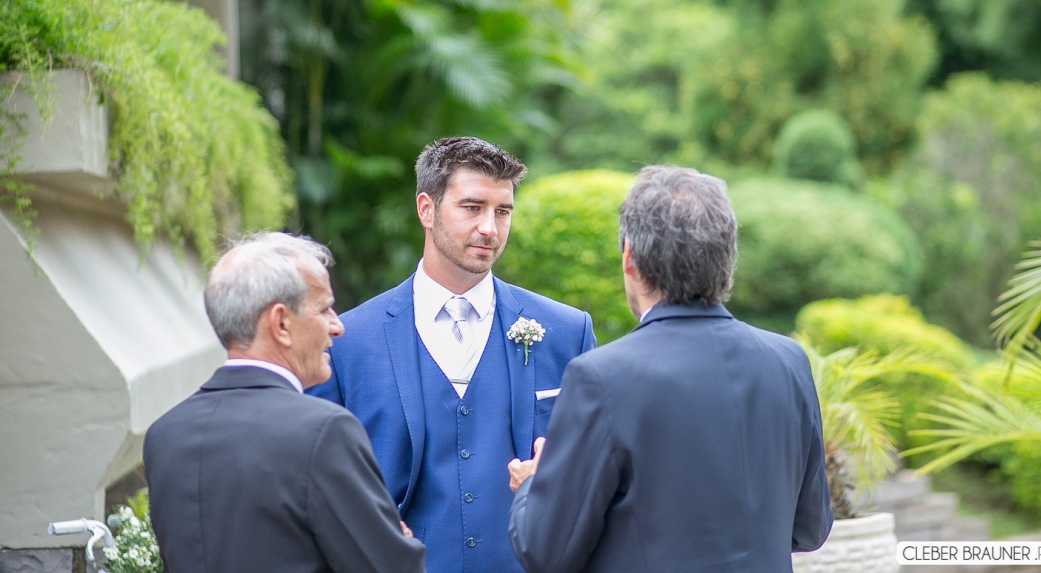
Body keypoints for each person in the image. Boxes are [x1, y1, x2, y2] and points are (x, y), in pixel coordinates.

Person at [507, 165, 833, 573]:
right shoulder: (788, 361)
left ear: (629, 257)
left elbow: (546, 551)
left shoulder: (601, 377)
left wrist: (532, 484)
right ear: (727, 256)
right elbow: (811, 528)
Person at [309, 136, 596, 573]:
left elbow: (595, 471)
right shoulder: (348, 342)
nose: (490, 228)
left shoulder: (567, 332)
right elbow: (320, 486)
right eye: (472, 207)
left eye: (503, 211)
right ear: (426, 209)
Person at [143, 232, 426, 573]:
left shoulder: (164, 435)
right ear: (280, 324)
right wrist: (397, 539)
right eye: (324, 309)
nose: (337, 326)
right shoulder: (324, 432)